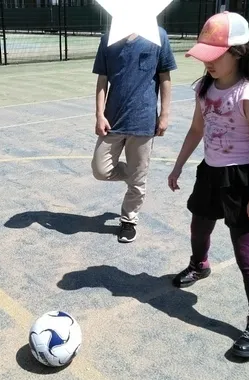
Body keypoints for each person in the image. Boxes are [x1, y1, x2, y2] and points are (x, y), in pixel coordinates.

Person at [167, 12, 249, 358]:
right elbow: (197, 129)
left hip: (241, 179)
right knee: (199, 227)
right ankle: (200, 264)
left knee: (246, 255)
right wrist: (179, 165)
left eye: (216, 56)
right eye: (205, 56)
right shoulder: (204, 88)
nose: (208, 63)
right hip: (211, 172)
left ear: (239, 52)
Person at [91, 26, 177, 243]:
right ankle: (136, 178)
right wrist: (99, 115)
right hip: (113, 120)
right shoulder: (108, 38)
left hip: (143, 120)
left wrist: (165, 114)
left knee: (138, 180)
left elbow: (164, 77)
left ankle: (128, 220)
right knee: (101, 169)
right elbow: (102, 80)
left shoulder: (158, 35)